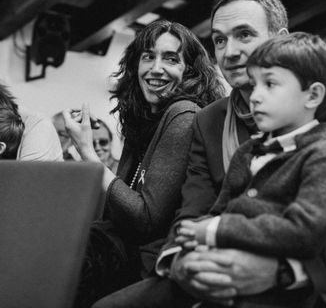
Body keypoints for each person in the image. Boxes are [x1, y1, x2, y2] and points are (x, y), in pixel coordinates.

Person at [95, 0, 326, 308]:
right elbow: (194, 210)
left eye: (244, 35)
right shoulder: (208, 120)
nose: (229, 52)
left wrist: (282, 271)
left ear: (279, 37)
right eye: (219, 39)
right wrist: (181, 261)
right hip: (218, 265)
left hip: (316, 282)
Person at [176, 33, 326, 307]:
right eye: (254, 83)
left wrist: (217, 230)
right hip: (228, 277)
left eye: (269, 84)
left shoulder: (324, 159)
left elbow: (304, 232)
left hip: (289, 295)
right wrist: (194, 245)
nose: (255, 96)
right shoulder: (246, 152)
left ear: (313, 95)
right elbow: (219, 211)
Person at [62, 19, 225, 307]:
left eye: (171, 58)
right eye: (148, 56)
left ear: (189, 70)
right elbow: (116, 210)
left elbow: (143, 219)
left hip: (149, 263)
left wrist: (89, 154)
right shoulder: (142, 119)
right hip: (122, 252)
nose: (156, 68)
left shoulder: (183, 114)